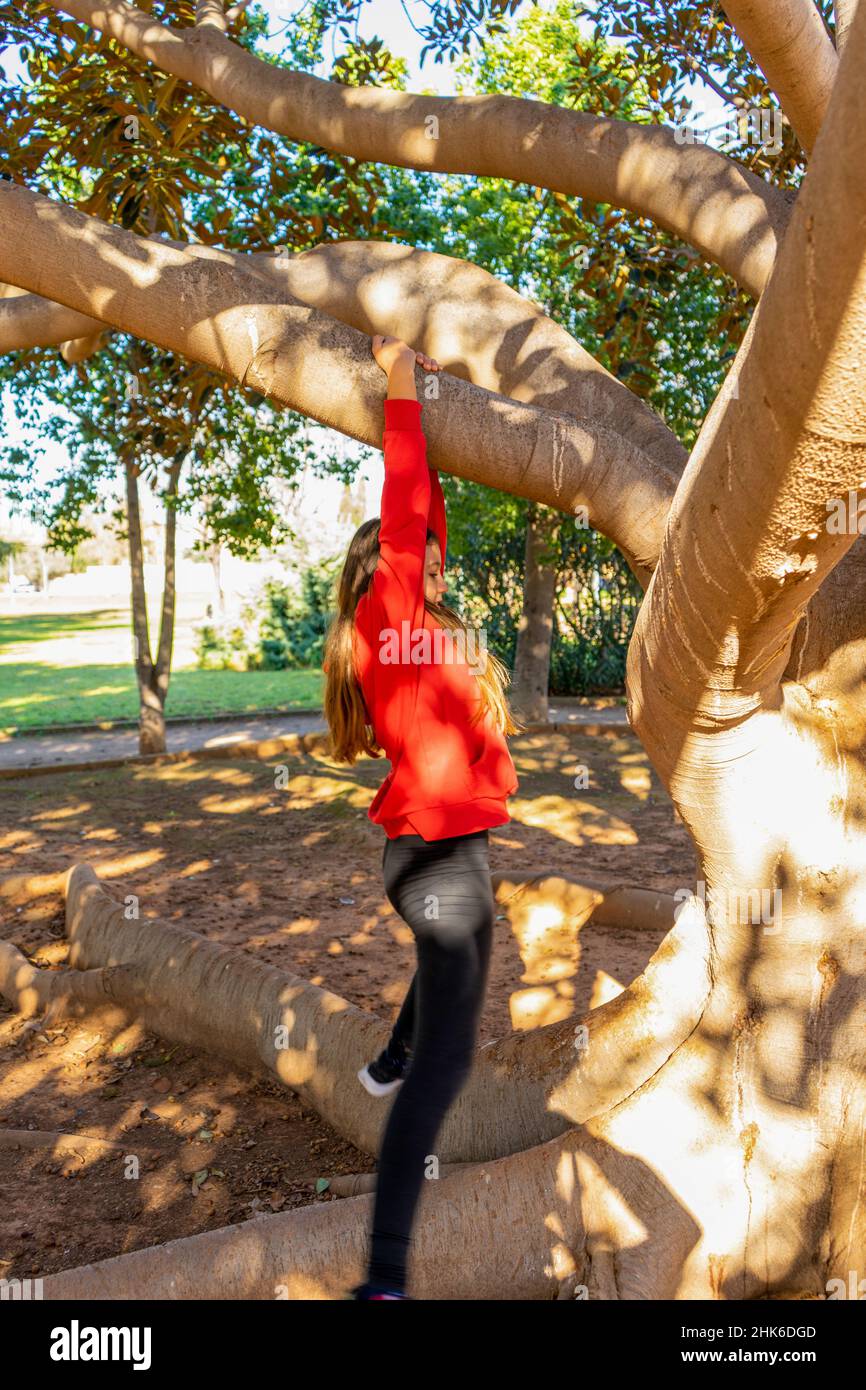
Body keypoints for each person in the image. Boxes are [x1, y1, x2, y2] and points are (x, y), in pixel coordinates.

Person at [323, 333, 520, 1300]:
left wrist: (435, 388)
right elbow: (406, 490)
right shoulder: (391, 612)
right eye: (425, 567)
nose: (440, 579)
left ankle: (390, 1054)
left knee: (455, 973)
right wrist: (399, 369)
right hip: (435, 857)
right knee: (450, 1059)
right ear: (389, 572)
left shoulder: (406, 625)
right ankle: (385, 1278)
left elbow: (425, 499)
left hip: (444, 850)